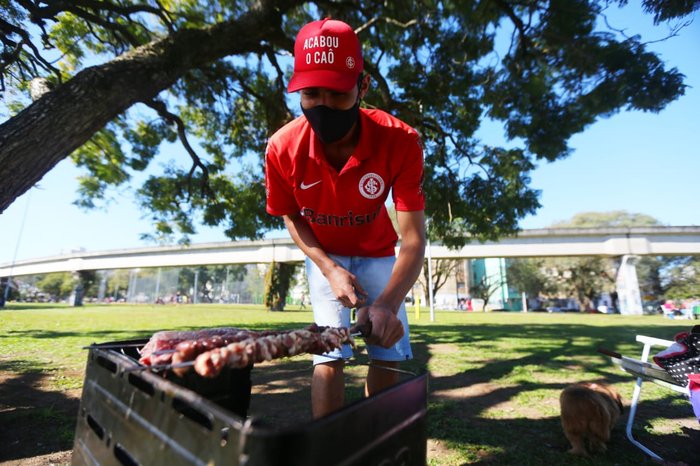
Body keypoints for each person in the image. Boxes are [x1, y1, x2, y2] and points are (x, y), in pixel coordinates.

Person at [265, 18, 426, 418]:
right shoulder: (281, 148)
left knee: (386, 349)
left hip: (378, 254)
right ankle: (328, 447)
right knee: (328, 354)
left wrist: (387, 302)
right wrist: (329, 268)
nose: (322, 106)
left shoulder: (401, 140)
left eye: (336, 94)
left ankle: (373, 440)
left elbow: (413, 239)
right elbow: (290, 216)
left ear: (363, 86)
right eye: (310, 93)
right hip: (325, 255)